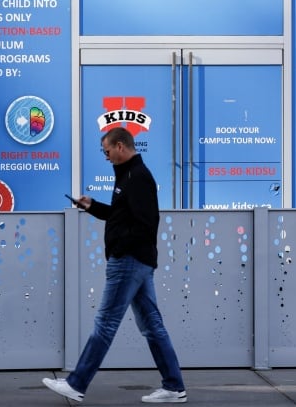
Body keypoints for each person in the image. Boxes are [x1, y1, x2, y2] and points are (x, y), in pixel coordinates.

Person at [42, 127, 187, 404]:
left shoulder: (138, 178)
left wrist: (121, 248)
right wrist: (92, 206)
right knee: (153, 326)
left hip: (129, 262)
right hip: (137, 262)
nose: (106, 156)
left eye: (107, 151)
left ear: (120, 146)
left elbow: (146, 223)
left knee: (105, 324)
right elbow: (121, 216)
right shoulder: (129, 176)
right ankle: (173, 386)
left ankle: (76, 383)